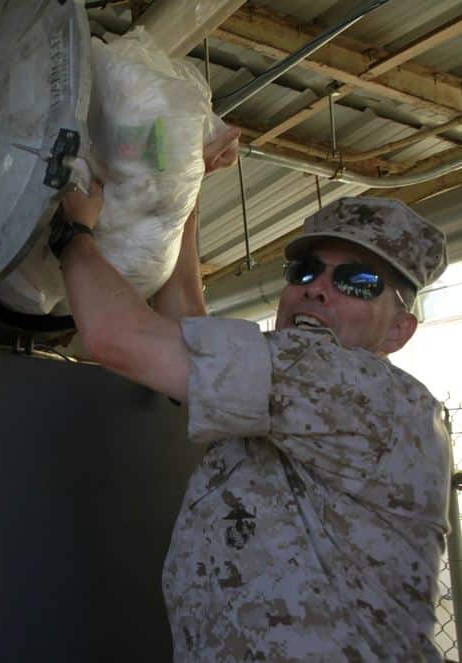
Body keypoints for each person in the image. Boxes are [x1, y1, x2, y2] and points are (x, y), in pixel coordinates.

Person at [52, 156, 452, 660]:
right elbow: (188, 325)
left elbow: (120, 338)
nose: (317, 288)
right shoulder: (301, 392)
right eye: (305, 271)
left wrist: (73, 231)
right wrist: (186, 192)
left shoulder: (353, 385)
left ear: (398, 331)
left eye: (358, 281)